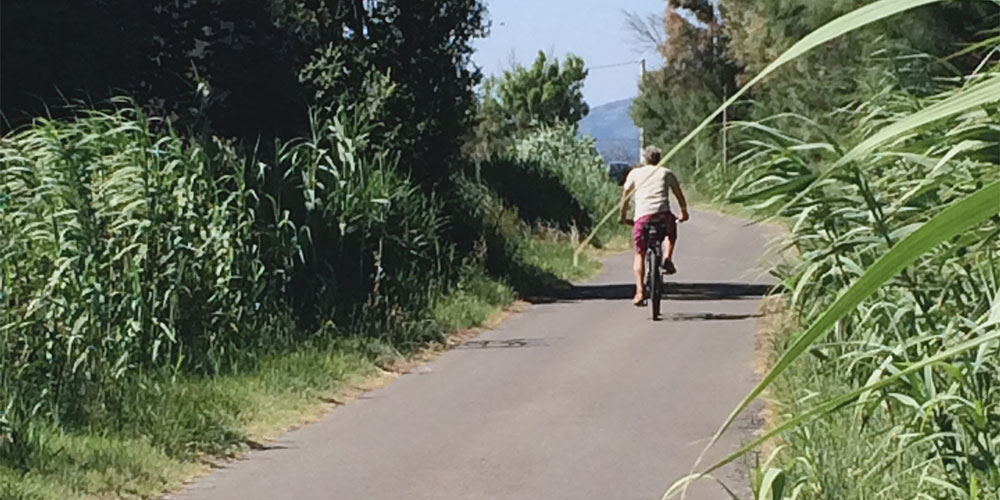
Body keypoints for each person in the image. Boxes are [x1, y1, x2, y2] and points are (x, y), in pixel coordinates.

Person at [619, 146, 690, 306]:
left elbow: (625, 198)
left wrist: (623, 217)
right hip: (663, 216)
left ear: (644, 159)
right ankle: (667, 258)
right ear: (659, 159)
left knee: (640, 254)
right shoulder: (666, 173)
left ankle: (639, 292)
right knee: (671, 232)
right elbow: (679, 194)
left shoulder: (635, 174)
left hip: (642, 218)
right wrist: (684, 212)